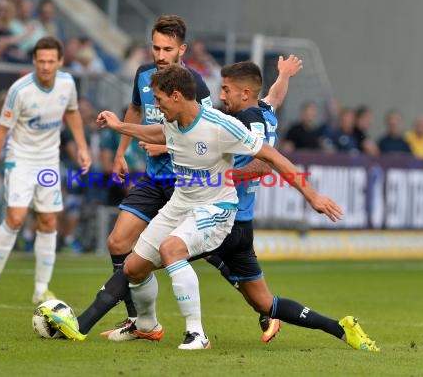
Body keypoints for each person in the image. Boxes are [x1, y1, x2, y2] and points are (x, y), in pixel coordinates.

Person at [43, 65, 377, 353]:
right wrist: (120, 126)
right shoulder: (173, 120)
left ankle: (196, 334)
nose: (155, 106)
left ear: (176, 96)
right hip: (182, 205)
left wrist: (313, 196)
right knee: (133, 266)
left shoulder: (222, 125)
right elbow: (159, 129)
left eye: (159, 99)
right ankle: (340, 328)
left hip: (218, 208)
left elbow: (271, 159)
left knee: (171, 248)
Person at [101, 15, 213, 332]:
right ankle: (138, 320)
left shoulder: (195, 83)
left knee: (218, 256)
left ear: (182, 50)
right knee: (118, 241)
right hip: (153, 179)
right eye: (156, 48)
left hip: (185, 182)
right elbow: (135, 111)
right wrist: (122, 152)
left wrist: (167, 147)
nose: (160, 56)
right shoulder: (143, 75)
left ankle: (265, 306)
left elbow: (208, 131)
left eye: (168, 49)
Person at [0, 36, 92, 304]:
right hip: (21, 159)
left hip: (48, 162)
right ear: (34, 62)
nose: (46, 67)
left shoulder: (67, 83)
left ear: (60, 62)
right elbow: (0, 132)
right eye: (41, 61)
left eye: (52, 61)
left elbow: (72, 113)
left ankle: (41, 288)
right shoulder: (20, 90)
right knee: (15, 217)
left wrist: (83, 146)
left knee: (49, 220)